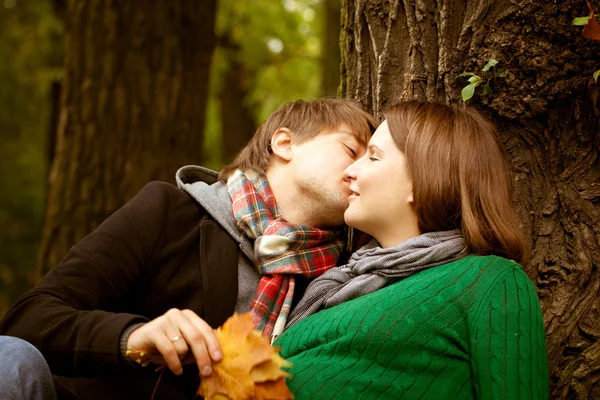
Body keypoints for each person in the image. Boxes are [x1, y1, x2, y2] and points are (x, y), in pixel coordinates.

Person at [0, 98, 377, 400]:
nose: (360, 170)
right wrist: (132, 338)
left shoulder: (341, 280)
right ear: (284, 143)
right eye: (350, 150)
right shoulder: (169, 213)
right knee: (10, 360)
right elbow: (28, 321)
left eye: (372, 161)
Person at [275, 101, 549, 399]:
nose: (350, 170)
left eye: (373, 157)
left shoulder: (490, 280)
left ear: (421, 181)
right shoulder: (338, 283)